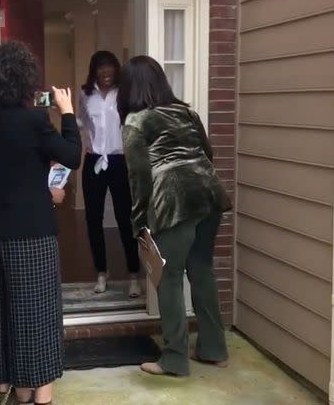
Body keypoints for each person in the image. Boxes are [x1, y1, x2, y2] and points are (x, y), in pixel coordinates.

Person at [0, 41, 81, 404]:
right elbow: (72, 155)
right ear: (25, 81)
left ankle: (4, 382)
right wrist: (67, 113)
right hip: (32, 233)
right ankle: (38, 393)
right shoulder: (35, 120)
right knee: (35, 312)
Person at [117, 55, 231, 377]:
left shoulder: (136, 121)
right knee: (202, 269)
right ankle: (214, 349)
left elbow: (138, 177)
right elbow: (208, 153)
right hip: (210, 197)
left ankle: (175, 358)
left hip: (177, 203)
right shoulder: (187, 112)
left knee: (168, 276)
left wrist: (138, 224)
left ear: (129, 88)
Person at [78, 51, 140, 297]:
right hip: (93, 161)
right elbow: (82, 123)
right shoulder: (86, 94)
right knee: (93, 220)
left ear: (116, 69)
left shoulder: (124, 94)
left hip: (119, 161)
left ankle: (134, 274)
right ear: (94, 70)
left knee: (126, 219)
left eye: (109, 68)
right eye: (100, 68)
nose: (105, 73)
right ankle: (101, 273)